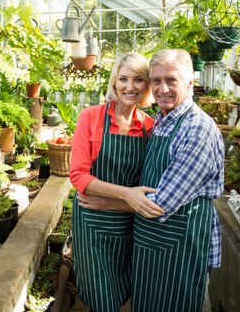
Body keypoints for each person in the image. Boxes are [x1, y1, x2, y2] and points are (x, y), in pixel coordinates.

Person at [78, 49, 224, 312]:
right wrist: (122, 197)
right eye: (157, 81)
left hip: (179, 240)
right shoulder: (162, 120)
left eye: (171, 80)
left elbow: (163, 203)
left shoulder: (196, 129)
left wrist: (108, 203)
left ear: (190, 81)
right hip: (147, 237)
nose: (163, 88)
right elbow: (79, 174)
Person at [70, 52, 161, 312]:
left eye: (138, 80)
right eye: (123, 79)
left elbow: (148, 180)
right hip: (91, 223)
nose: (129, 87)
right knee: (102, 296)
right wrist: (127, 194)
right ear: (114, 83)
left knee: (122, 290)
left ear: (147, 86)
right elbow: (79, 176)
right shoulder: (92, 117)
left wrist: (121, 201)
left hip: (127, 222)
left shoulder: (149, 126)